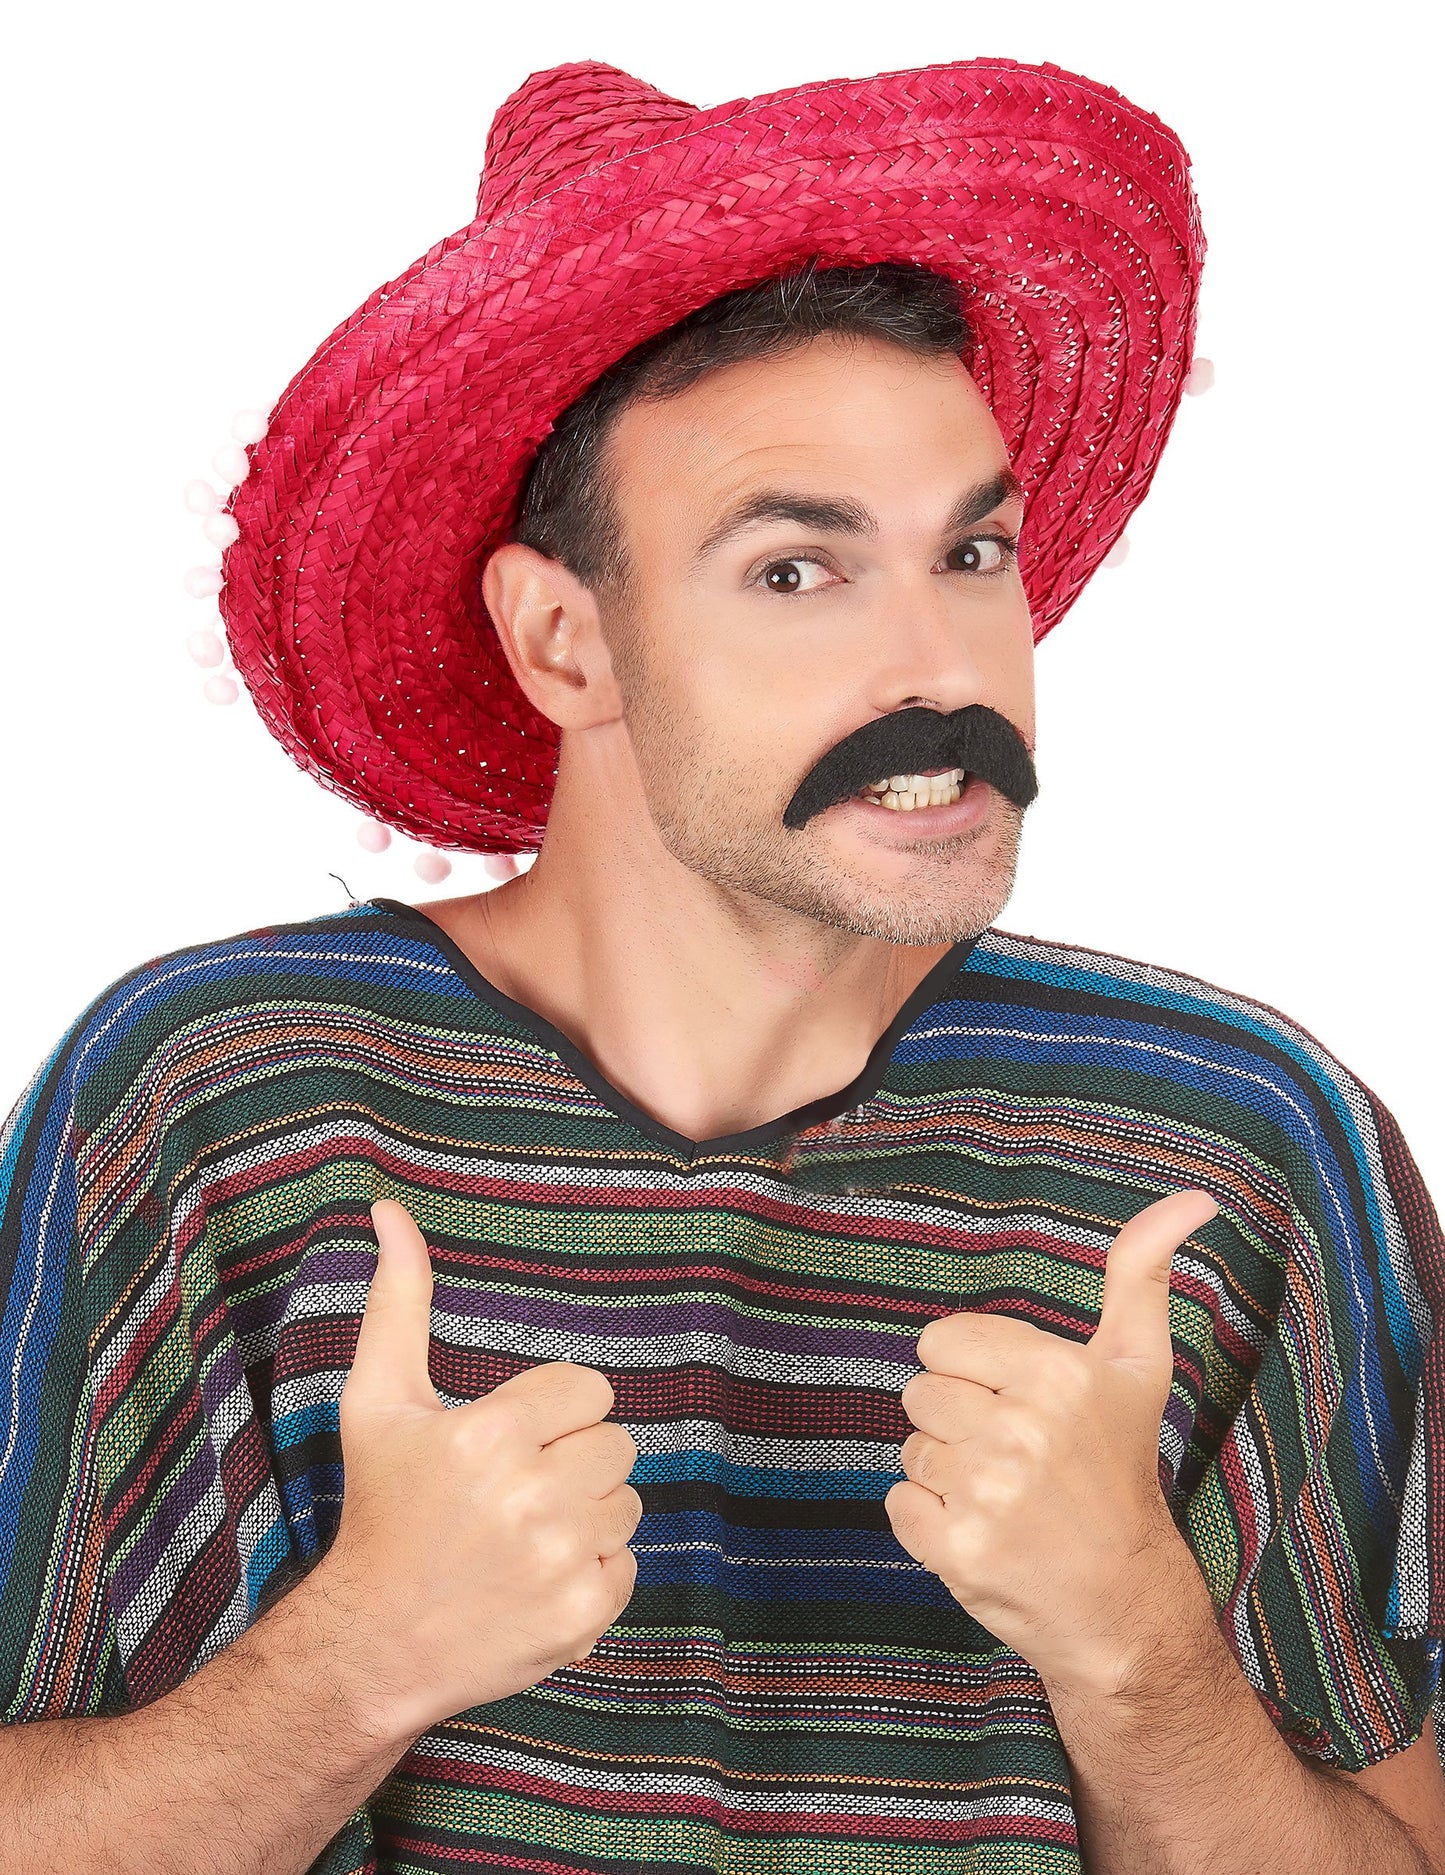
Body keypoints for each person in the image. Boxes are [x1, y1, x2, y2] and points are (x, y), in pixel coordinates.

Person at [2, 53, 1443, 1875]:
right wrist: (356, 1664)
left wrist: (1136, 1649)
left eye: (970, 550)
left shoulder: (1233, 1145)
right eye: (793, 572)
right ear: (563, 640)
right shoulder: (216, 1105)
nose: (944, 667)